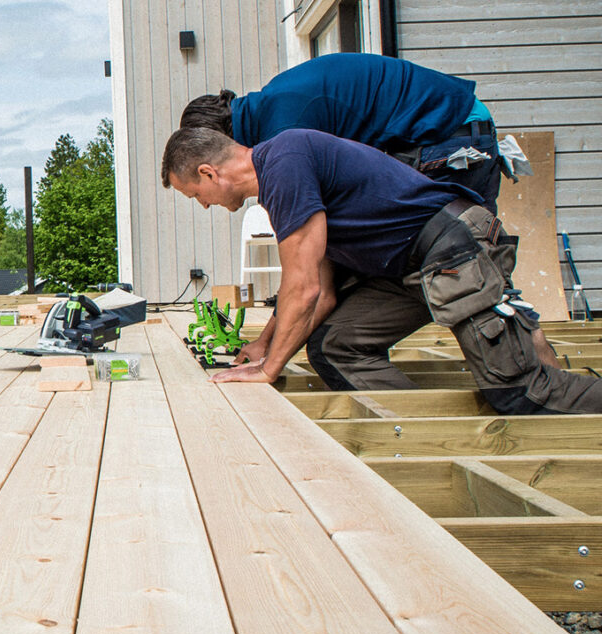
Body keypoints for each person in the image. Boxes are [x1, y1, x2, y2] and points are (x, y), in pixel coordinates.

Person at [160, 126, 602, 414]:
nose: (203, 205)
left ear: (209, 172)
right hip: (406, 271)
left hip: (450, 250)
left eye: (194, 194)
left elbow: (304, 287)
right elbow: (324, 293)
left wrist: (269, 368)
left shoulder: (284, 165)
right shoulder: (284, 176)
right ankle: (425, 437)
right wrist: (266, 346)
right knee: (334, 347)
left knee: (522, 394)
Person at [180, 54, 502, 212]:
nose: (204, 204)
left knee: (457, 265)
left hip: (450, 139)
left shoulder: (284, 130)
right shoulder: (272, 107)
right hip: (453, 129)